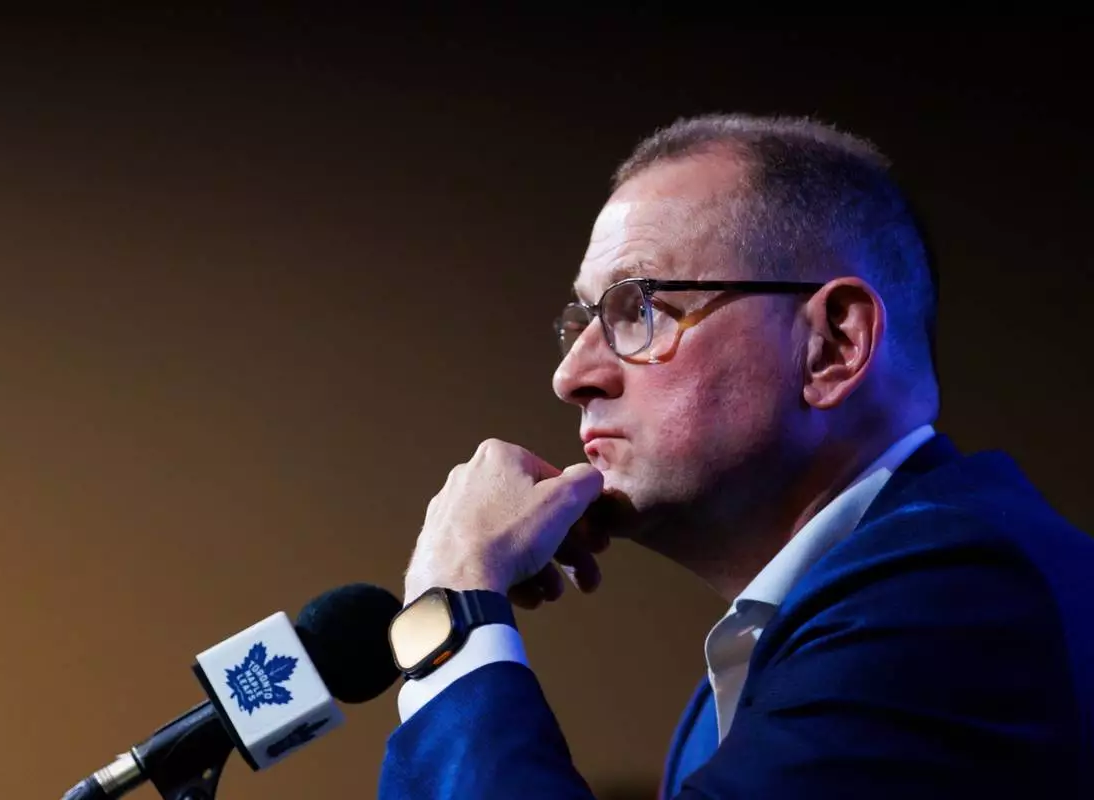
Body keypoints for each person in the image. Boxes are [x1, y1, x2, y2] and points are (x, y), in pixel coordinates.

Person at [377, 114, 1094, 798]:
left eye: (640, 309)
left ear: (832, 346)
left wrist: (455, 598)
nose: (572, 376)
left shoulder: (952, 597)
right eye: (583, 322)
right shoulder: (768, 656)